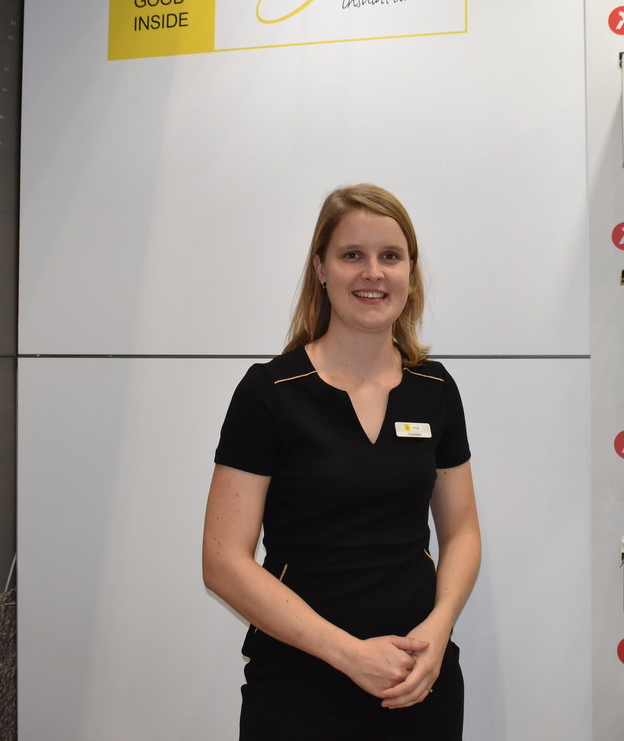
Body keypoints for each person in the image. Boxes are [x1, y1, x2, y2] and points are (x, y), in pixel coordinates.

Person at [203, 184, 482, 740]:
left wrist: (438, 627)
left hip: (417, 680)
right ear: (321, 269)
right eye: (352, 254)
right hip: (298, 687)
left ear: (410, 273)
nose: (372, 273)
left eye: (390, 256)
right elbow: (222, 561)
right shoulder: (270, 393)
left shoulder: (435, 389)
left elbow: (462, 532)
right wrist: (350, 655)